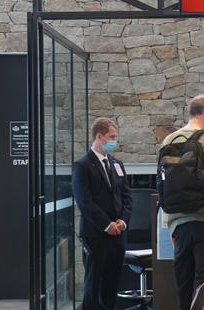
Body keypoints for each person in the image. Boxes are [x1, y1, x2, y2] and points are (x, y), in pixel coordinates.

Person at [161, 94, 204, 310]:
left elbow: (165, 187)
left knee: (184, 287)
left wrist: (171, 226)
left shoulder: (169, 140)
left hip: (178, 227)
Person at [72, 118, 132, 310]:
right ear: (99, 136)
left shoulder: (117, 164)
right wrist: (107, 225)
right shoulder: (82, 165)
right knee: (93, 286)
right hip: (96, 236)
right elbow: (84, 201)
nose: (115, 141)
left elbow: (127, 197)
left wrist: (122, 222)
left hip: (118, 237)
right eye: (112, 137)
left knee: (111, 284)